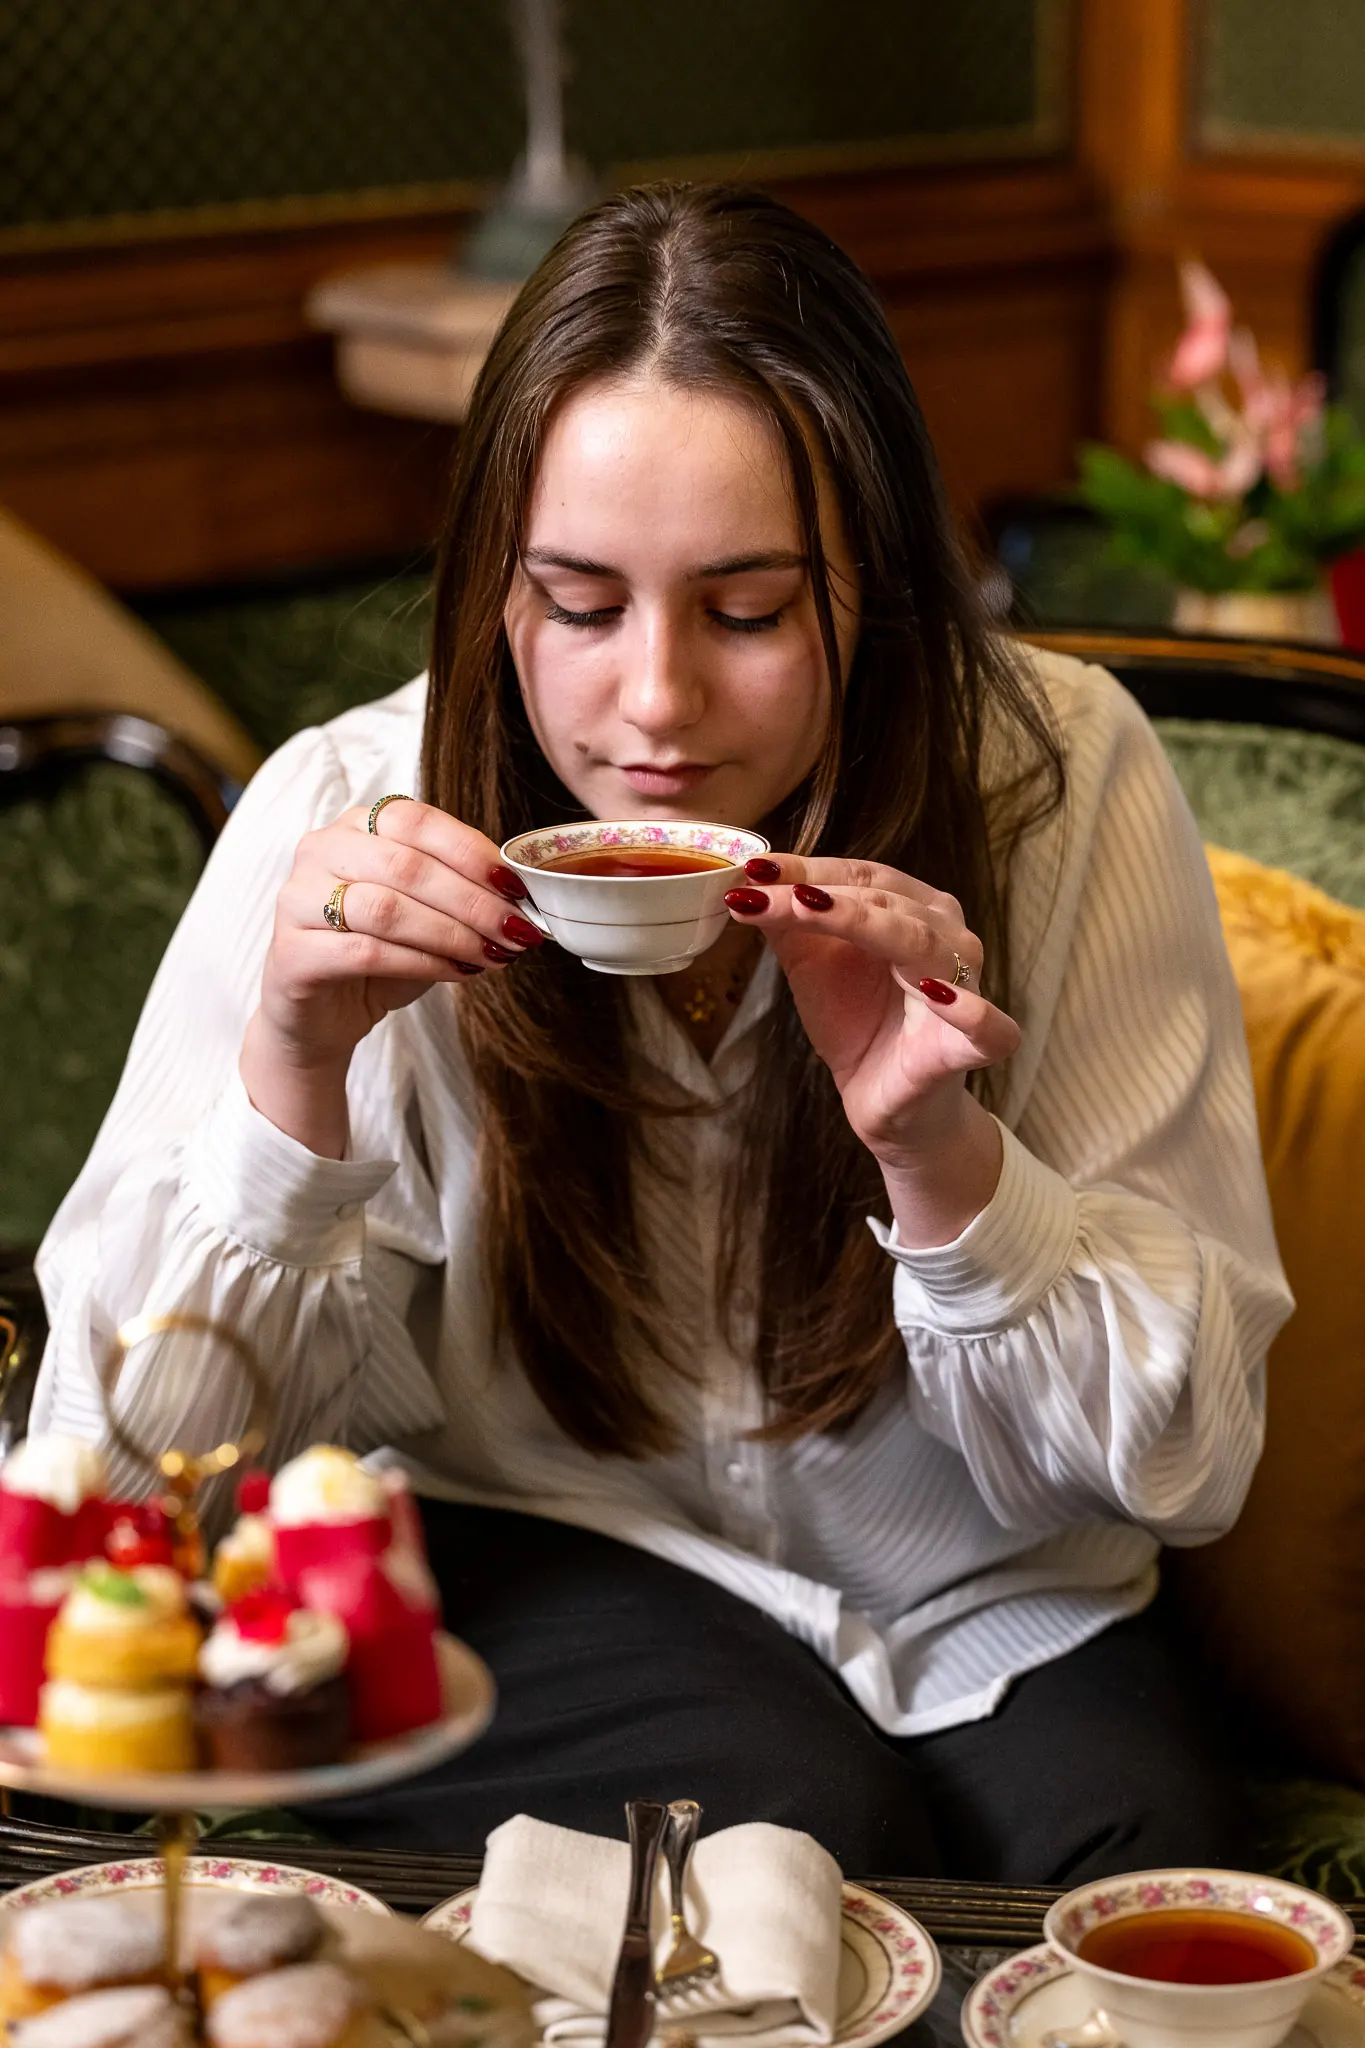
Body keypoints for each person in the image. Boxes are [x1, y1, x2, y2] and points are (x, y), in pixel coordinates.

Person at [32, 183, 1291, 1881]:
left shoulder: (1057, 782)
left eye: (752, 611)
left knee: (1141, 1869)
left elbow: (1190, 1459)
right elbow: (119, 1480)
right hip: (537, 1544)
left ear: (881, 584)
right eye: (578, 602)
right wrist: (292, 1070)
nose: (654, 706)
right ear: (494, 586)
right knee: (776, 1822)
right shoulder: (349, 806)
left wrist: (944, 1156)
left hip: (978, 1592)